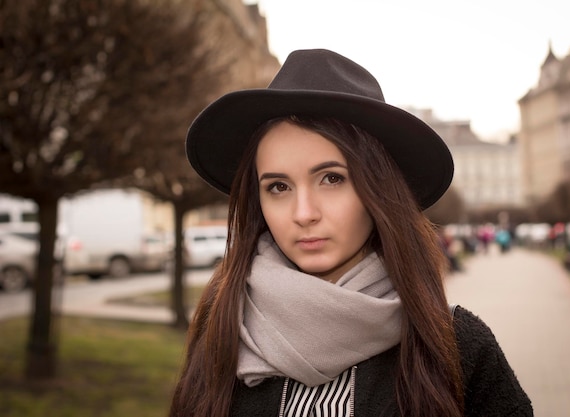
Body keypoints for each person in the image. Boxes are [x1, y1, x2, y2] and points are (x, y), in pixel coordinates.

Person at [169, 49, 532, 417]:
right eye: (278, 186)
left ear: (378, 190)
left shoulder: (459, 347)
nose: (304, 213)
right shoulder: (221, 332)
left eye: (332, 179)